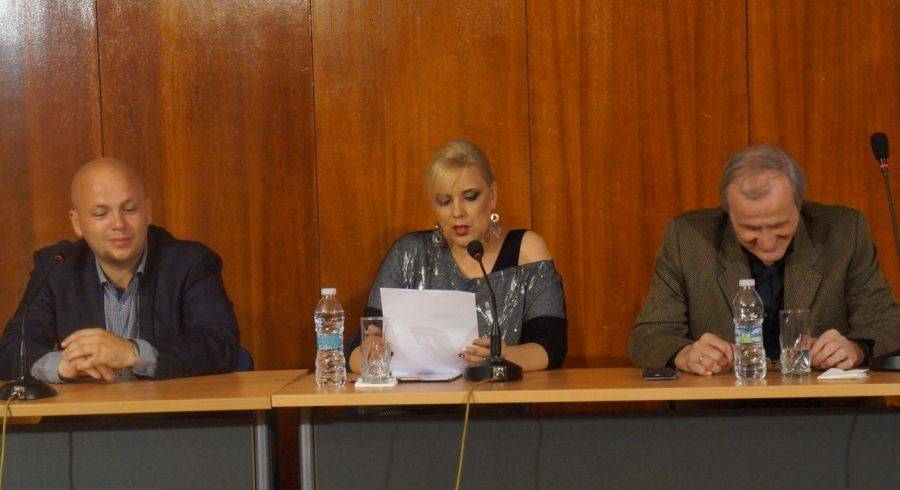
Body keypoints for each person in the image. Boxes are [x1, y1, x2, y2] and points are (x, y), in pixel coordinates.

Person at [630, 144, 900, 375]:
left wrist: (855, 348)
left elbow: (888, 324)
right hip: (717, 407)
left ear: (799, 204)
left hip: (827, 407)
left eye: (780, 226)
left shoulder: (844, 233)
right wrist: (685, 354)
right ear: (728, 212)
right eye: (751, 229)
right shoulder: (688, 240)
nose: (768, 242)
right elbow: (648, 336)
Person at [0, 158, 240, 382]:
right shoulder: (56, 267)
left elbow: (220, 345)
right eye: (101, 214)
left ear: (148, 211)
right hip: (89, 413)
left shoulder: (190, 263)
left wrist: (131, 352)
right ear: (77, 222)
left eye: (130, 209)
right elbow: (11, 350)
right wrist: (64, 365)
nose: (118, 224)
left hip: (172, 411)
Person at [347, 140, 567, 372]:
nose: (457, 211)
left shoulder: (525, 251)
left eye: (470, 197)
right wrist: (371, 352)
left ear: (492, 196)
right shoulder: (409, 254)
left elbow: (551, 348)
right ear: (435, 208)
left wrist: (504, 356)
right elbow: (355, 353)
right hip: (419, 394)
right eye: (445, 201)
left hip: (499, 393)